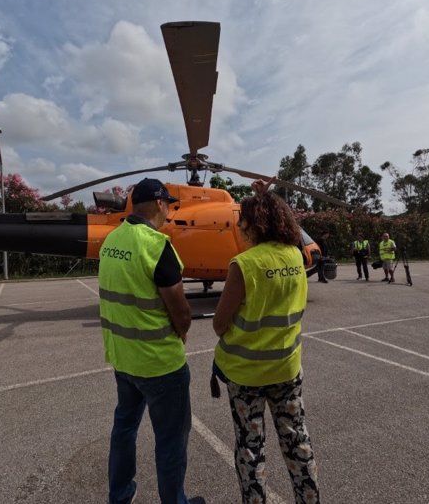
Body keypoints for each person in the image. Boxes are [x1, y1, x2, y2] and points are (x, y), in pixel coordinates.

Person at [212, 178, 320, 504]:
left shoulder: (245, 264)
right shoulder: (296, 258)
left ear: (254, 223)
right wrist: (264, 196)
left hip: (246, 374)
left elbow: (219, 324)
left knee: (250, 446)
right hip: (286, 369)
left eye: (241, 222)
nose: (239, 228)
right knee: (296, 439)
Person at [99, 178, 203, 504]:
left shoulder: (110, 242)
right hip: (160, 366)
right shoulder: (157, 246)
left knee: (124, 429)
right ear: (160, 204)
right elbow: (182, 314)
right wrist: (182, 332)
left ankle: (119, 496)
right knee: (171, 442)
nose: (170, 209)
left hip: (123, 360)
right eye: (169, 204)